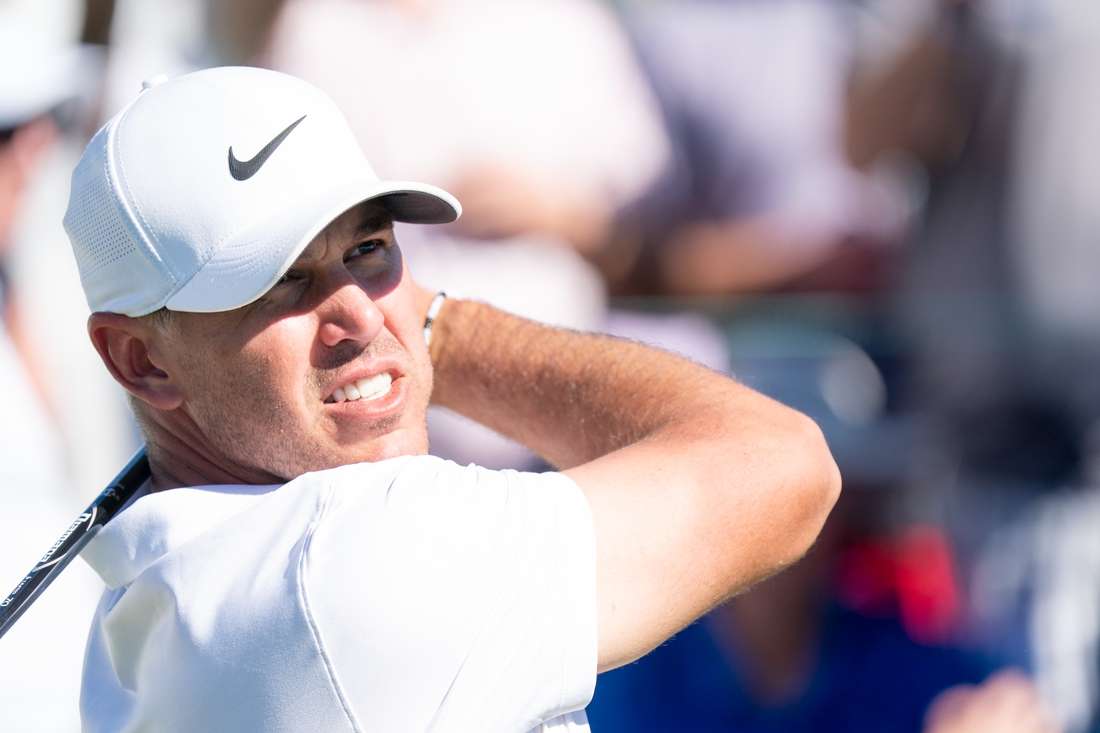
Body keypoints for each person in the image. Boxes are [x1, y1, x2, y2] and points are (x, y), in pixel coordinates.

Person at [66, 66, 839, 732]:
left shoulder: (150, 598)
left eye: (370, 250)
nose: (363, 315)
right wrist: (439, 326)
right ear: (140, 359)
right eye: (279, 281)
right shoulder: (357, 558)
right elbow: (785, 466)